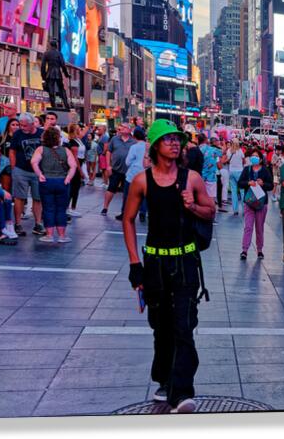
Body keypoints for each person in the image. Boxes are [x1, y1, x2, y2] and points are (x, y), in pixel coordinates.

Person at [123, 119, 215, 413]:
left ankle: (182, 393)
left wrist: (193, 206)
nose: (175, 143)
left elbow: (211, 212)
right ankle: (164, 380)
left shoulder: (192, 179)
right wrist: (135, 264)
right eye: (168, 139)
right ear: (154, 146)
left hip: (185, 262)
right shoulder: (142, 181)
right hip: (155, 263)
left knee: (184, 326)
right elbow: (127, 219)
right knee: (161, 327)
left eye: (177, 139)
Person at [31, 127, 77, 243]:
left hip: (46, 181)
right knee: (61, 209)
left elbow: (33, 162)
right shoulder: (66, 150)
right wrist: (68, 177)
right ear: (58, 138)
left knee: (48, 209)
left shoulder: (41, 149)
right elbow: (73, 166)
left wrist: (39, 174)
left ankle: (49, 235)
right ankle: (62, 236)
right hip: (62, 181)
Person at [8, 112, 45, 237]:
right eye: (21, 125)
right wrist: (14, 168)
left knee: (38, 198)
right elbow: (12, 151)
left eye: (25, 125)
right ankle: (18, 224)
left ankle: (38, 224)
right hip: (21, 170)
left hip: (38, 171)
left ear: (32, 124)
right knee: (19, 197)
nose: (22, 128)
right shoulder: (18, 134)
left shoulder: (41, 133)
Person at [238, 150, 273, 259]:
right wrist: (248, 183)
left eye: (256, 156)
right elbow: (240, 183)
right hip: (249, 202)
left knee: (259, 227)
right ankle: (244, 250)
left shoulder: (265, 170)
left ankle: (259, 250)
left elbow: (271, 185)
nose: (254, 158)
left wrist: (263, 184)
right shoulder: (247, 169)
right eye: (252, 156)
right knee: (248, 227)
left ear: (261, 159)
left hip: (261, 203)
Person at [101, 122, 135, 216]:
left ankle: (124, 212)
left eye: (124, 127)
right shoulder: (115, 139)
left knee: (126, 192)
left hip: (128, 171)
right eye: (121, 127)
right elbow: (108, 152)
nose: (121, 128)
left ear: (130, 130)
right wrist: (108, 166)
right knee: (111, 188)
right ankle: (105, 208)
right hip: (115, 169)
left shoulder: (133, 141)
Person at [121, 127, 148, 219]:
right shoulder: (149, 146)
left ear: (134, 137)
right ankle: (143, 212)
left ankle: (124, 213)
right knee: (144, 195)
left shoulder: (134, 147)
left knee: (127, 195)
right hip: (145, 174)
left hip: (133, 174)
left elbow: (127, 162)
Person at [41, 40, 70, 108]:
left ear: (50, 45)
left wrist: (44, 77)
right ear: (56, 46)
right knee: (61, 89)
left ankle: (53, 105)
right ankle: (66, 104)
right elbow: (63, 65)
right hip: (58, 74)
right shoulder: (59, 54)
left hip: (50, 74)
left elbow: (43, 66)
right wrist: (66, 74)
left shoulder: (46, 53)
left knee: (51, 90)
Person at [197, 133, 221, 202]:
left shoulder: (196, 149)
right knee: (211, 198)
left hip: (199, 176)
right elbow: (222, 153)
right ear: (205, 139)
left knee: (200, 197)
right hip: (211, 176)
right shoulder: (213, 149)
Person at [228, 140, 244, 215]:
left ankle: (235, 210)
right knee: (242, 191)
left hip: (231, 171)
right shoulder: (240, 151)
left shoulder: (229, 151)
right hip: (239, 171)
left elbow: (228, 160)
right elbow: (243, 160)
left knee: (233, 191)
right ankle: (244, 210)